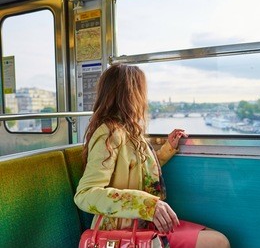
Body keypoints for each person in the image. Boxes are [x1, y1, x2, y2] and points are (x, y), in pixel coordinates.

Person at [74, 64, 230, 248]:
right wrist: (148, 205)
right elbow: (85, 194)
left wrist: (166, 150)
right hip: (121, 231)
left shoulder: (130, 131)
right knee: (218, 242)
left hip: (143, 222)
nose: (144, 99)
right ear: (130, 95)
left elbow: (138, 170)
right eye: (141, 92)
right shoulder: (109, 134)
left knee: (216, 238)